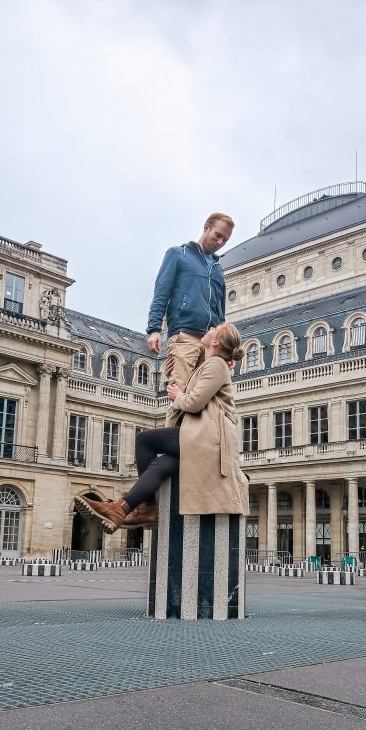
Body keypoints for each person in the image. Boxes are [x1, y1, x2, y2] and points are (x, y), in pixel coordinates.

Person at [90, 323, 248, 533]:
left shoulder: (217, 364)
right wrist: (172, 379)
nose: (208, 328)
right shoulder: (211, 365)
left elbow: (193, 403)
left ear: (216, 341)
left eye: (214, 329)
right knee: (163, 463)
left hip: (209, 438)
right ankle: (125, 508)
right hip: (203, 437)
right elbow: (193, 393)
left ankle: (146, 506)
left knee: (145, 440)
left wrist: (177, 395)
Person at [146, 213, 234, 414]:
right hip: (185, 335)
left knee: (207, 402)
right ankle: (173, 444)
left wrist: (226, 348)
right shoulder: (178, 254)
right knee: (179, 394)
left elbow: (221, 314)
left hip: (211, 344)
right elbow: (161, 293)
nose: (220, 242)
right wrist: (154, 329)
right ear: (206, 227)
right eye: (218, 235)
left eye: (225, 240)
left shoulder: (218, 269)